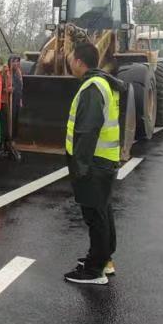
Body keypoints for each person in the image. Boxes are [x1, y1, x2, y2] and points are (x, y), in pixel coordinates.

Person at [64, 42, 123, 285]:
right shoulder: (103, 82)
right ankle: (103, 259)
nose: (69, 63)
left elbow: (88, 130)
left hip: (94, 162)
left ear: (79, 61)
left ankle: (94, 270)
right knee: (102, 210)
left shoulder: (92, 87)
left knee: (95, 214)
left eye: (70, 59)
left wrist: (80, 167)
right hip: (103, 160)